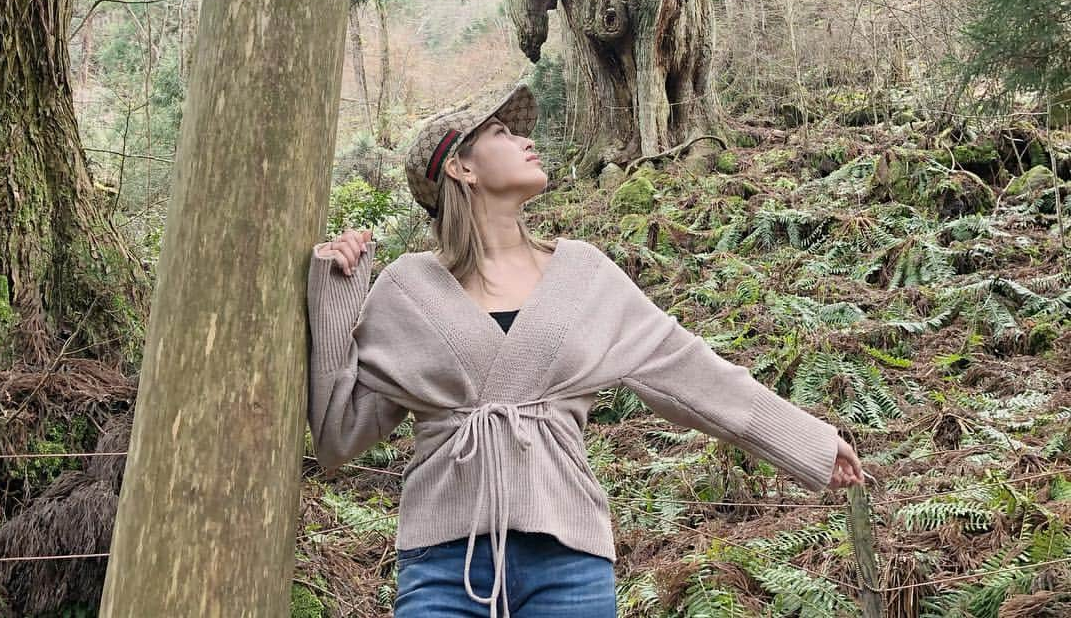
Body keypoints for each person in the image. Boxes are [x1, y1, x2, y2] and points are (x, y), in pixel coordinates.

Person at [307, 81, 865, 618]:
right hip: (441, 564)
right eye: (502, 132)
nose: (528, 140)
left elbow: (690, 372)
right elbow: (339, 435)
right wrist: (337, 292)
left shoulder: (584, 274)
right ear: (461, 166)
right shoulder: (407, 288)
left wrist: (808, 442)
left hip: (568, 559)